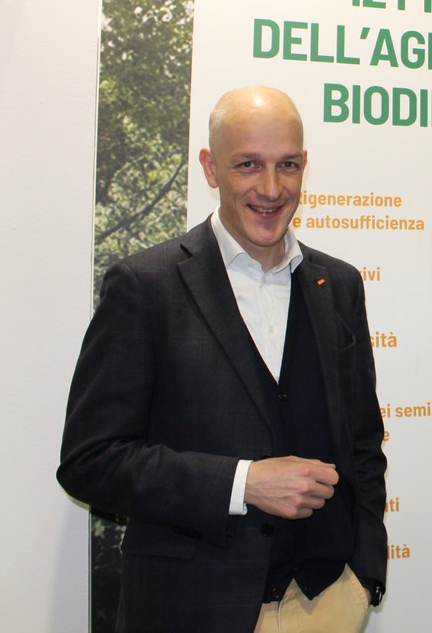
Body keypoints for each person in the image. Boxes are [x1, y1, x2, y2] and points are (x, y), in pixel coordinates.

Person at [58, 86, 388, 632]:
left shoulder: (340, 284)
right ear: (211, 168)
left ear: (304, 166)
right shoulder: (146, 286)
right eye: (248, 165)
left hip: (328, 602)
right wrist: (242, 483)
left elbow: (363, 443)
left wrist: (365, 570)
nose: (271, 188)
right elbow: (90, 461)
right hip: (194, 608)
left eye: (287, 165)